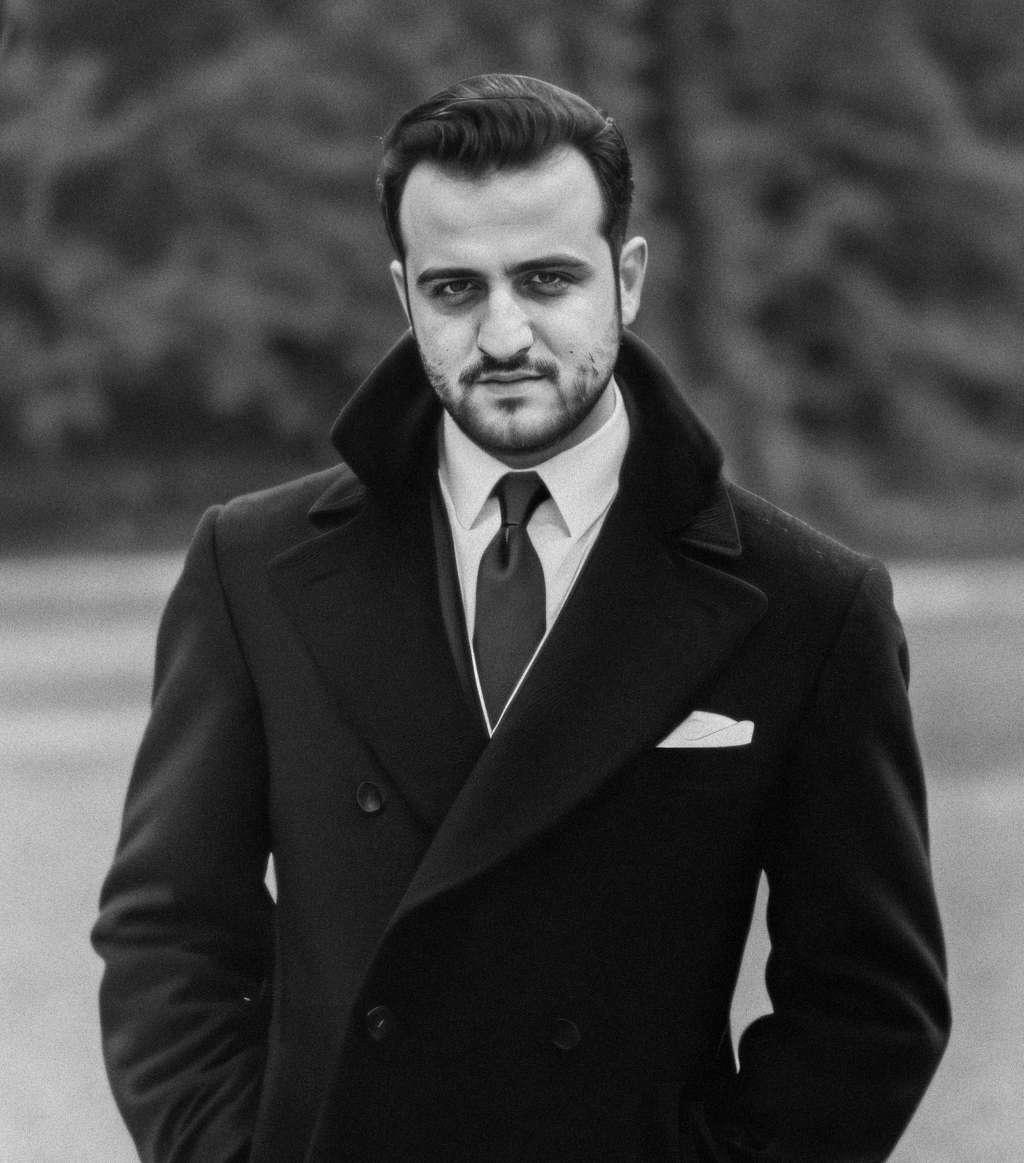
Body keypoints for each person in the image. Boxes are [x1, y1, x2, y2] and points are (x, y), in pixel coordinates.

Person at [92, 73, 950, 1162]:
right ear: (404, 294)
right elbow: (167, 931)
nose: (503, 334)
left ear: (626, 278)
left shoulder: (809, 605)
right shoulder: (252, 567)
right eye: (455, 289)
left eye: (547, 279)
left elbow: (870, 1005)